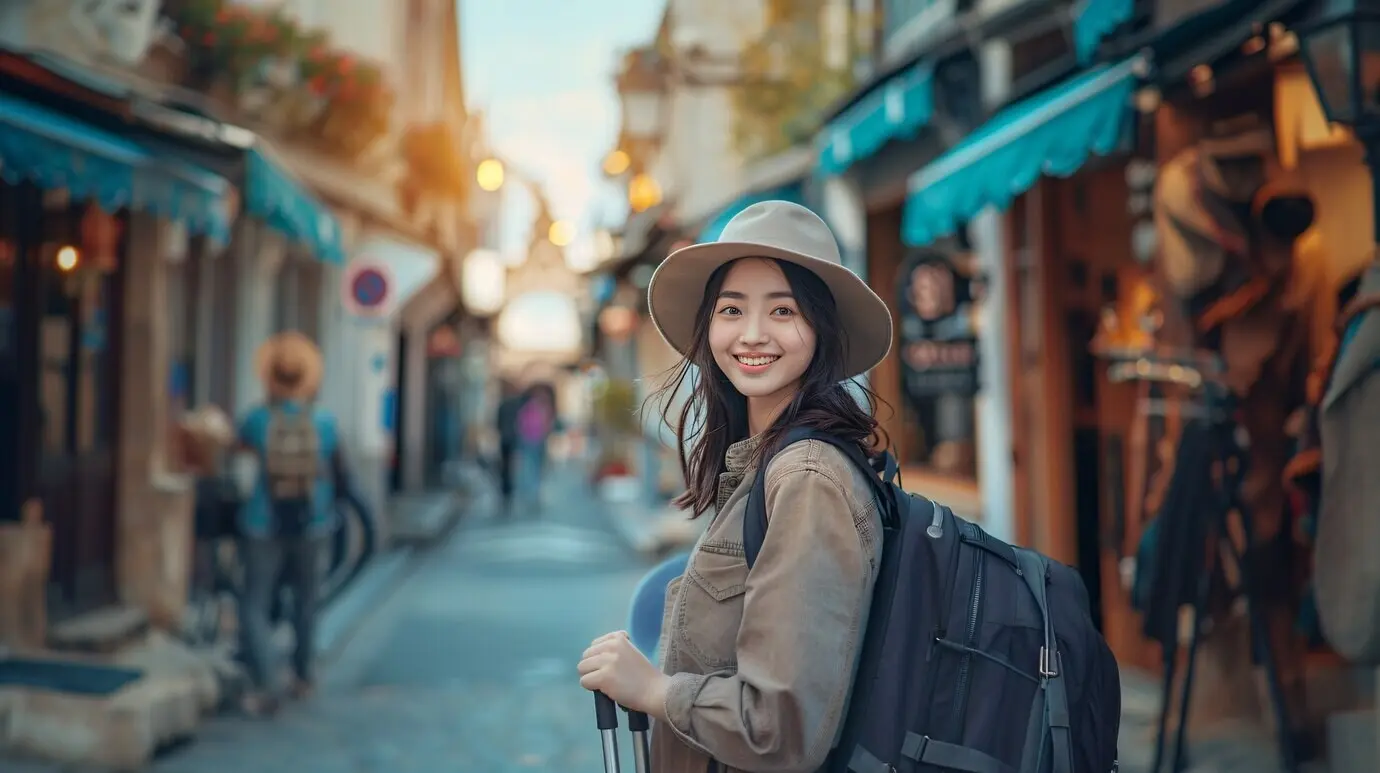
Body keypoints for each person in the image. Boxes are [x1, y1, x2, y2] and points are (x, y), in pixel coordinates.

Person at [577, 201, 894, 773]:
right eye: (731, 309)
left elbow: (781, 729)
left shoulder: (807, 479)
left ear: (821, 328)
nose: (751, 334)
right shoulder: (763, 462)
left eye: (783, 310)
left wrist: (654, 690)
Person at [235, 331, 340, 715]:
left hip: (263, 522)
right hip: (313, 521)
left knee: (255, 604)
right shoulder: (324, 421)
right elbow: (337, 468)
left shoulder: (257, 419)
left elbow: (237, 451)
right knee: (307, 602)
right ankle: (302, 676)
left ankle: (267, 682)